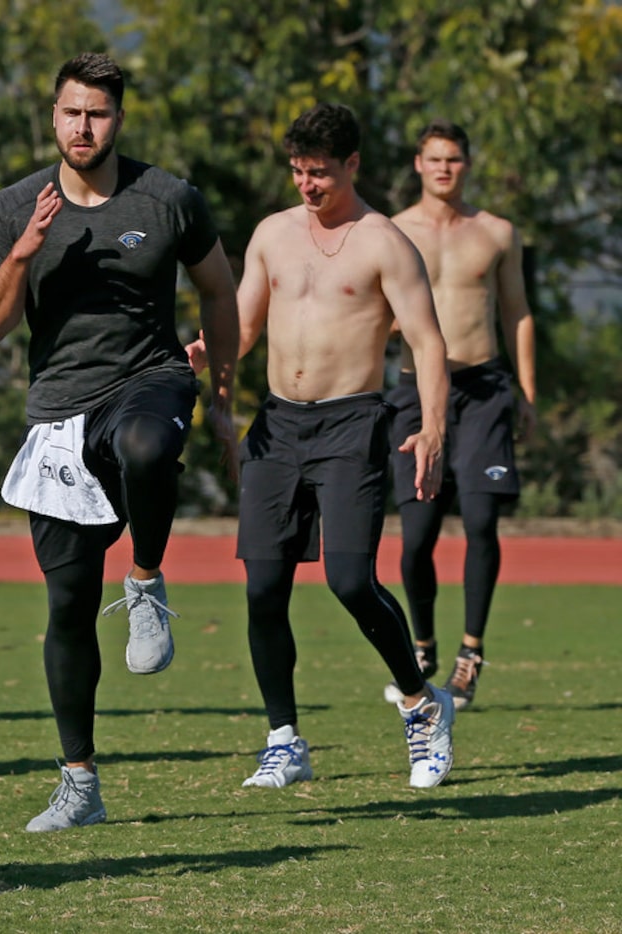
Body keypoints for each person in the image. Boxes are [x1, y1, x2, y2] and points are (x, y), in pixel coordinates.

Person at [0, 52, 239, 832]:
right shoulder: (14, 206)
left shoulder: (168, 197)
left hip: (150, 378)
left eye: (98, 114)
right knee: (67, 604)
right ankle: (79, 782)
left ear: (120, 119)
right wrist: (24, 251)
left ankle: (147, 580)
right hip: (58, 414)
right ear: (52, 117)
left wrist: (220, 400)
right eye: (71, 113)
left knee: (151, 446)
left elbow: (218, 292)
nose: (83, 127)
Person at [232, 102, 455, 791]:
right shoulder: (271, 235)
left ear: (352, 165)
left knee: (350, 580)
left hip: (353, 423)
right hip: (276, 426)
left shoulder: (384, 241)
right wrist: (204, 365)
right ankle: (283, 739)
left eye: (321, 173)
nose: (307, 184)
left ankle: (421, 704)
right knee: (264, 589)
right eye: (299, 171)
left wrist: (435, 430)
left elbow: (427, 341)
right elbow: (239, 331)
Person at [384, 119, 537, 710]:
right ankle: (422, 645)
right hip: (416, 389)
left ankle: (470, 653)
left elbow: (519, 312)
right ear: (418, 165)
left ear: (467, 165)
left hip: (484, 388)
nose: (444, 168)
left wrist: (525, 391)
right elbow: (374, 311)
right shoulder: (393, 232)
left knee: (480, 520)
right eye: (434, 159)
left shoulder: (496, 232)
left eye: (454, 159)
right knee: (417, 534)